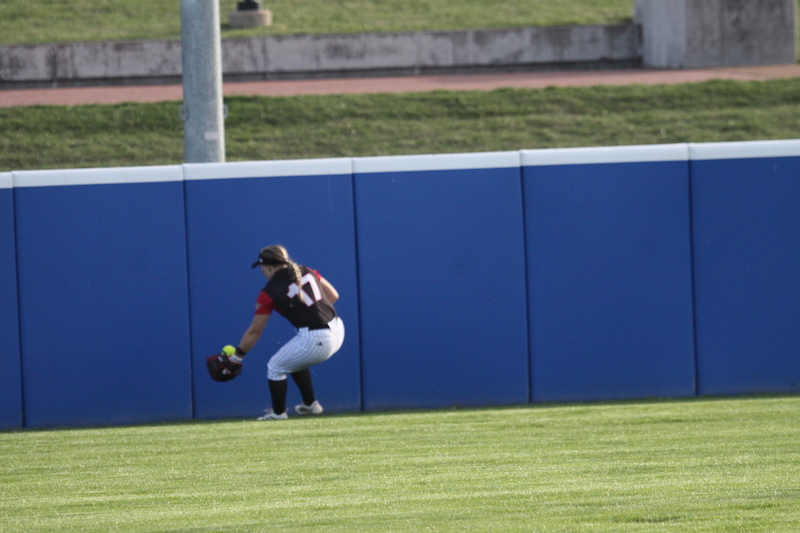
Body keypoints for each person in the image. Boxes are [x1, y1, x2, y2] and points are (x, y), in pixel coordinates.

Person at [225, 245, 345, 420]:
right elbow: (333, 296)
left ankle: (278, 413)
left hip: (317, 337)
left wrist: (237, 356)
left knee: (275, 367)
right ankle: (310, 404)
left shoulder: (269, 291)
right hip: (337, 328)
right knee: (292, 358)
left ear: (268, 267)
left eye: (261, 267)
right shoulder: (305, 270)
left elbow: (255, 331)